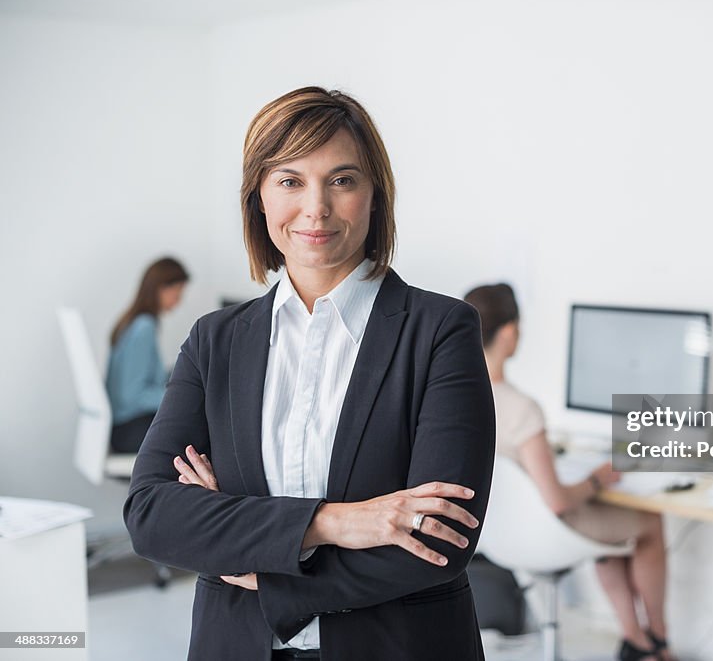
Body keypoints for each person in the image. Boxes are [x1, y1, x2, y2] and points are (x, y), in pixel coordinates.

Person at [123, 87, 496, 661]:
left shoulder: (441, 330)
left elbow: (438, 539)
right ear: (260, 199)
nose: (316, 207)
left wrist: (249, 556)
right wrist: (336, 523)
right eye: (290, 181)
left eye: (343, 180)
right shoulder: (215, 339)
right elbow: (151, 514)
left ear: (375, 195)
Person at [463, 283, 673, 661]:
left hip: (492, 532)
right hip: (542, 530)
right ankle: (657, 638)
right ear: (509, 333)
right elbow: (558, 502)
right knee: (649, 523)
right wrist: (597, 479)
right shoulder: (522, 408)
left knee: (614, 525)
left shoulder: (457, 395)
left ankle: (635, 640)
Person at [106, 257, 189, 453]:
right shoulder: (144, 327)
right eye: (177, 292)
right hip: (129, 429)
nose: (179, 300)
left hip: (125, 426)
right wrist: (178, 396)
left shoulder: (135, 322)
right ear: (161, 288)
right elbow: (133, 396)